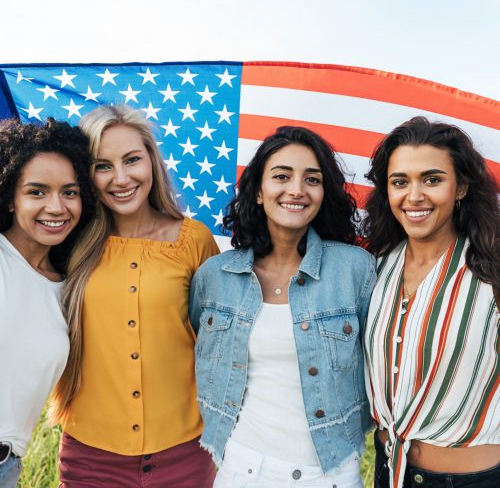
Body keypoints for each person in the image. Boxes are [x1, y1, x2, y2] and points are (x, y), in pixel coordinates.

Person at [189, 126, 376, 487]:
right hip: (242, 468)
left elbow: (380, 365)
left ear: (323, 193)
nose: (296, 190)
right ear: (259, 191)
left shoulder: (355, 269)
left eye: (312, 179)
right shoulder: (215, 276)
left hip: (332, 472)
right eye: (281, 176)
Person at [50, 105, 219, 487]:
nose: (121, 178)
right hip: (90, 458)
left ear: (152, 162)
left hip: (186, 453)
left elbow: (220, 343)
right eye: (103, 165)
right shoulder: (67, 243)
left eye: (132, 160)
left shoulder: (195, 240)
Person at [362, 116, 500, 488]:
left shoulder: (493, 271)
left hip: (471, 480)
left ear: (461, 188)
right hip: (388, 473)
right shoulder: (373, 268)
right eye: (400, 182)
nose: (415, 196)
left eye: (432, 179)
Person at [0, 118, 95, 488]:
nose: (57, 207)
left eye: (69, 192)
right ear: (10, 196)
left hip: (9, 467)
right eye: (37, 192)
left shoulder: (68, 286)